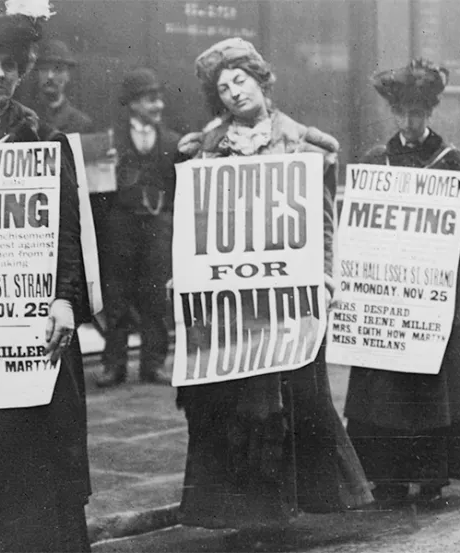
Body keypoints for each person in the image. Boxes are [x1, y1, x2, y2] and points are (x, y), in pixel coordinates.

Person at [173, 37, 373, 529]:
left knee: (292, 399)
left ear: (261, 81)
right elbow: (195, 222)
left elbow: (323, 221)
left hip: (288, 298)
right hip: (231, 302)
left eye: (240, 80)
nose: (234, 93)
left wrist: (326, 275)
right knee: (233, 402)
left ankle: (286, 509)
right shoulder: (207, 149)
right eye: (223, 88)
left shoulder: (305, 145)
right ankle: (244, 512)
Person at [343, 59, 460, 507]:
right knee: (386, 393)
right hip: (388, 302)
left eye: (418, 114)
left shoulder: (453, 163)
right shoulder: (374, 162)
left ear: (431, 114)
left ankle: (430, 475)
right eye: (402, 114)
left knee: (430, 392)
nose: (410, 123)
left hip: (434, 305)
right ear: (393, 115)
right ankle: (387, 477)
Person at [0, 2, 92, 551]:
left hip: (27, 321)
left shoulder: (42, 138)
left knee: (32, 453)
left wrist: (64, 300)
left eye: (8, 63)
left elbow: (67, 233)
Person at [95, 68, 179, 387]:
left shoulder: (171, 141)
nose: (158, 105)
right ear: (132, 104)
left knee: (156, 297)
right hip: (121, 226)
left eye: (159, 99)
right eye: (149, 99)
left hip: (158, 227)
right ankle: (114, 364)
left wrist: (167, 219)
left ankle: (153, 365)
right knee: (116, 296)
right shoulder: (110, 141)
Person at [33, 38, 93, 134]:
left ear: (68, 76)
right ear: (37, 74)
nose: (50, 76)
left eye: (58, 70)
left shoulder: (81, 123)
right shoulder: (24, 120)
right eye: (44, 69)